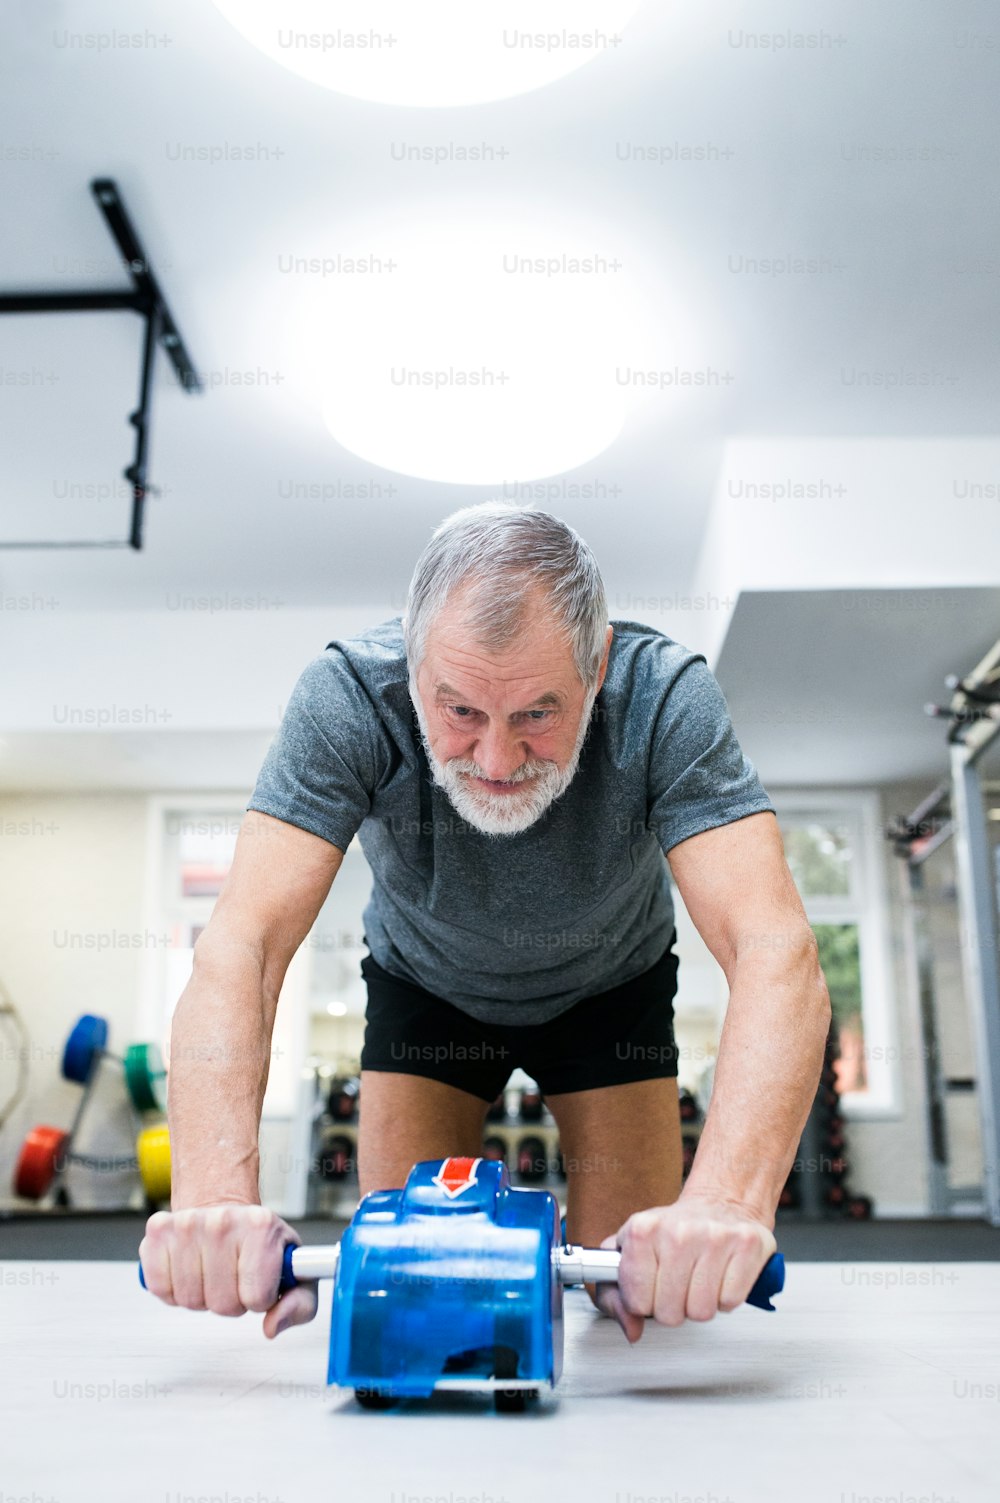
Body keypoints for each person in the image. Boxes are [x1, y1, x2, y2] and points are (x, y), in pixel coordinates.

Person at [140, 502, 830, 1344]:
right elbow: (241, 948)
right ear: (413, 658)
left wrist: (726, 1201)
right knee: (415, 1298)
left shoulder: (665, 698)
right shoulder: (349, 697)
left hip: (611, 989)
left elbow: (774, 949)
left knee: (642, 1303)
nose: (497, 760)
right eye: (460, 710)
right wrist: (213, 1193)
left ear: (599, 662)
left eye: (538, 713)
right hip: (426, 987)